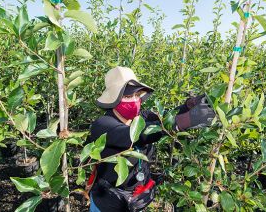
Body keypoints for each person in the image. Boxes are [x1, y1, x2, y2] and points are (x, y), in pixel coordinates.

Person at [85, 66, 215, 212]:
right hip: (107, 205)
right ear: (114, 99)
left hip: (135, 201)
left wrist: (187, 106)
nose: (134, 100)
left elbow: (165, 118)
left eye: (137, 95)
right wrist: (183, 121)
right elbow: (136, 135)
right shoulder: (102, 125)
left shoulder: (141, 117)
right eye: (127, 96)